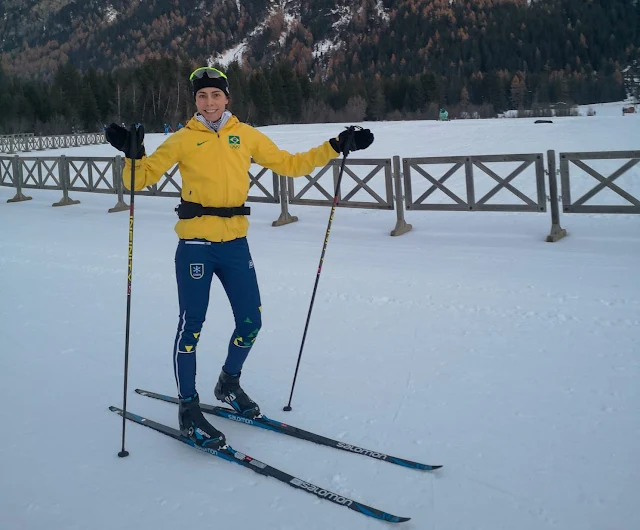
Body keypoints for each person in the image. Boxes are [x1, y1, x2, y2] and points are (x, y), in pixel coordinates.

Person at [105, 66, 374, 449]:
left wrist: (335, 145)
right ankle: (188, 408)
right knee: (191, 325)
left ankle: (228, 383)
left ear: (227, 98)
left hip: (235, 245)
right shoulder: (182, 139)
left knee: (251, 321)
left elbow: (290, 164)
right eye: (202, 96)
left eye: (216, 95)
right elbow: (137, 180)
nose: (210, 102)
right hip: (195, 244)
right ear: (195, 101)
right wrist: (133, 154)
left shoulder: (244, 135)